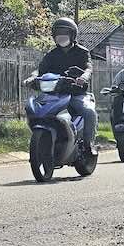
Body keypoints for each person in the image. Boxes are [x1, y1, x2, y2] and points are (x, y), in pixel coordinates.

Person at [36, 17, 98, 156]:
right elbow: (40, 71)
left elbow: (88, 67)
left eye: (65, 32)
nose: (61, 36)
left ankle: (88, 145)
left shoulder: (82, 52)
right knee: (37, 111)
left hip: (76, 94)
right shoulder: (51, 55)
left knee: (89, 112)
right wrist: (31, 79)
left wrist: (83, 77)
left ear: (72, 34)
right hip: (55, 95)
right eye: (58, 33)